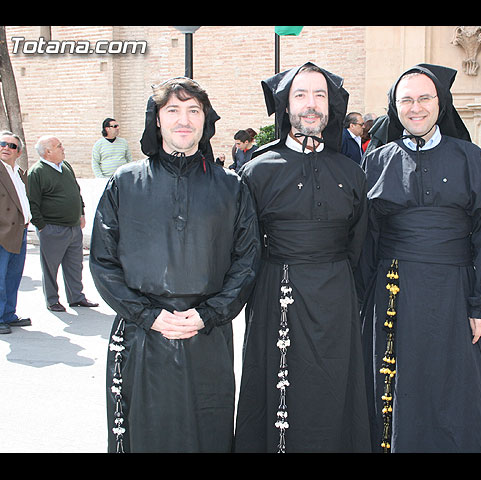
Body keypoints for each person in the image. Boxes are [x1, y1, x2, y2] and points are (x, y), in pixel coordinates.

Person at [89, 77, 260, 453]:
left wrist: (209, 313)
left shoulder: (232, 186)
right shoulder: (125, 183)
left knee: (208, 432)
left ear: (205, 121)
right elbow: (103, 261)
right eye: (173, 110)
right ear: (158, 120)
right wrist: (147, 315)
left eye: (193, 111)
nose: (184, 120)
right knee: (146, 435)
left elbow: (246, 261)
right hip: (142, 335)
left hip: (207, 336)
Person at [357, 64, 481, 453]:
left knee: (455, 389)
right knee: (399, 385)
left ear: (441, 104)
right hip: (393, 293)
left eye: (425, 98)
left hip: (455, 293)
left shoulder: (470, 157)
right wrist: (357, 302)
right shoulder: (376, 160)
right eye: (406, 99)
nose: (416, 107)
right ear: (395, 107)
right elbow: (366, 239)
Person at [234, 62, 370, 453]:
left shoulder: (351, 170)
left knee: (333, 386)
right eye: (301, 95)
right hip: (277, 294)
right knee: (279, 389)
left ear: (331, 107)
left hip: (337, 297)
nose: (311, 104)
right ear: (285, 106)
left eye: (319, 95)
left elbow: (359, 240)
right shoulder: (257, 170)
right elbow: (244, 246)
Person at [27, 136, 98, 313]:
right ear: (47, 152)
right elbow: (32, 202)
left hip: (73, 226)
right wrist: (41, 226)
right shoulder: (37, 172)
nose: (63, 148)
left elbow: (76, 191)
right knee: (51, 267)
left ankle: (77, 297)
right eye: (59, 146)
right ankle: (52, 300)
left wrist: (81, 212)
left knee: (75, 265)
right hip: (52, 228)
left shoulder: (65, 166)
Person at [0, 132, 31, 334]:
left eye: (11, 146)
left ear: (18, 152)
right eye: (2, 144)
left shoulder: (19, 172)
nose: (6, 148)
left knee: (13, 275)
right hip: (3, 231)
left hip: (21, 229)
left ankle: (8, 314)